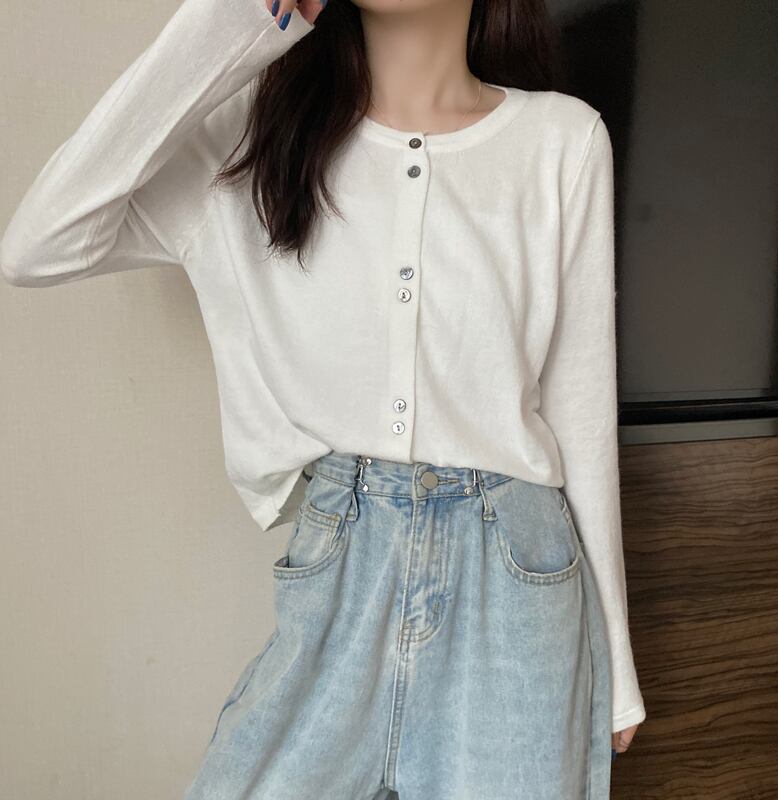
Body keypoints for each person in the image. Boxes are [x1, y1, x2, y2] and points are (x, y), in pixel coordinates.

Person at [0, 0, 646, 797]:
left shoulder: (563, 140)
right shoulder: (248, 140)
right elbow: (37, 245)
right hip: (342, 557)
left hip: (517, 584)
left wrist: (616, 665)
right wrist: (237, 21)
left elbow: (580, 408)